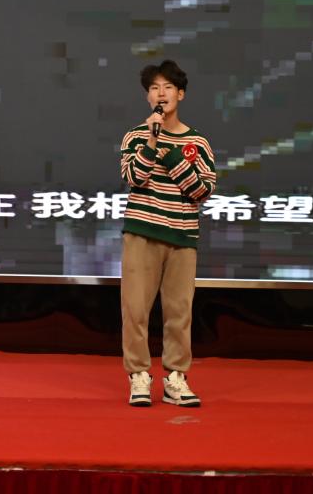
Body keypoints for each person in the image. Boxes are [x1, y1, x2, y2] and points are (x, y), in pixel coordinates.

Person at [118, 60, 215, 407]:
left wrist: (172, 156)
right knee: (135, 310)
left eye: (168, 87)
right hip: (141, 233)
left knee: (179, 313)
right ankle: (138, 375)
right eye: (154, 88)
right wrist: (151, 141)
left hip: (182, 237)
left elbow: (202, 191)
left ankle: (176, 378)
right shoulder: (134, 136)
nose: (161, 94)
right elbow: (134, 177)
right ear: (148, 97)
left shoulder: (197, 142)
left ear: (181, 94)